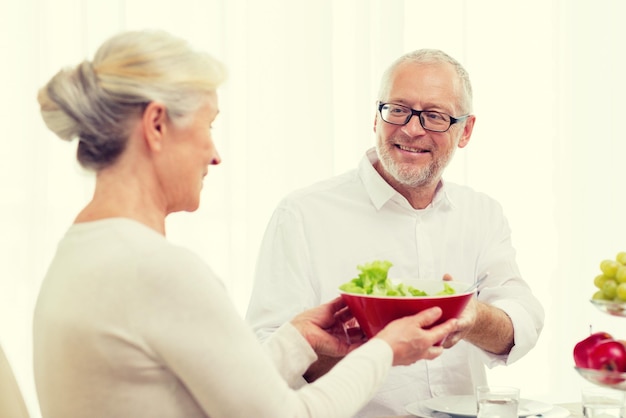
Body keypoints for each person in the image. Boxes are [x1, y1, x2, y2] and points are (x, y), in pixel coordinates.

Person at [32, 30, 460, 418]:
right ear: (157, 125)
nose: (214, 154)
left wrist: (299, 341)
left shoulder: (82, 250)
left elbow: (226, 396)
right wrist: (386, 349)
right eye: (208, 125)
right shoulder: (158, 270)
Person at [245, 49, 546, 417]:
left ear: (465, 131)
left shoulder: (482, 213)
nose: (412, 128)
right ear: (376, 117)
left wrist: (470, 316)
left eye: (434, 116)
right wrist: (370, 346)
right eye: (398, 109)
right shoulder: (302, 213)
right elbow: (267, 357)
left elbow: (523, 321)